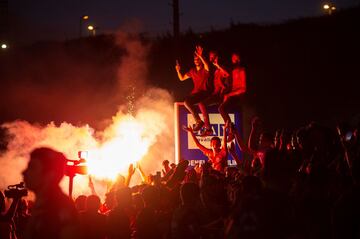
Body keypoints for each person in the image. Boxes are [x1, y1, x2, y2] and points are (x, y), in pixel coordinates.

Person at [22, 147, 81, 239]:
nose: (24, 172)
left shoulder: (60, 207)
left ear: (50, 175)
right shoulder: (43, 203)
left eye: (32, 167)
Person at [176, 45, 212, 135]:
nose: (196, 61)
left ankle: (199, 122)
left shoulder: (204, 70)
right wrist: (178, 71)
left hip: (204, 92)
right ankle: (202, 124)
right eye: (195, 60)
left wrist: (200, 56)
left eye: (198, 59)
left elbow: (207, 65)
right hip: (196, 93)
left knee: (187, 102)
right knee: (185, 101)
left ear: (200, 60)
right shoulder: (192, 71)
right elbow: (182, 78)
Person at [218, 53, 247, 140]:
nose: (235, 60)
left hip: (238, 96)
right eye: (233, 58)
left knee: (221, 108)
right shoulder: (232, 71)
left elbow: (243, 89)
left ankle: (231, 131)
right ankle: (231, 128)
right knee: (220, 106)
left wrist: (229, 94)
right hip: (230, 95)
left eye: (236, 58)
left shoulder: (242, 70)